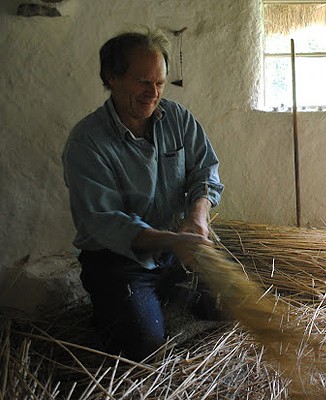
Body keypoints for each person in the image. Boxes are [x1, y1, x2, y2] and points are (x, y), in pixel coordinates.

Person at [62, 28, 225, 360]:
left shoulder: (177, 119)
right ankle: (122, 307)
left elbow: (205, 169)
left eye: (160, 83)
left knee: (228, 308)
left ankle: (164, 297)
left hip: (178, 248)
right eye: (142, 82)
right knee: (144, 349)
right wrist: (172, 241)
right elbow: (106, 222)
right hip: (119, 261)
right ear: (112, 77)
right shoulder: (87, 142)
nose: (153, 93)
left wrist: (197, 217)